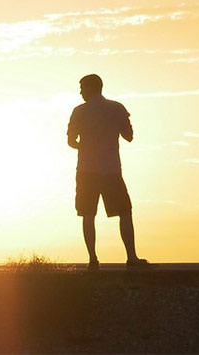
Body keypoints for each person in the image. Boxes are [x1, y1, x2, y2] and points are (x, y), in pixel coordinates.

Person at [67, 74, 149, 270]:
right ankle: (131, 257)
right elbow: (129, 136)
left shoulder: (78, 112)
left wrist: (86, 147)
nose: (80, 92)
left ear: (91, 88)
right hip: (110, 169)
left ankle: (93, 260)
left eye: (82, 88)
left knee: (88, 214)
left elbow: (71, 141)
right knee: (124, 212)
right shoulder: (116, 108)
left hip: (87, 171)